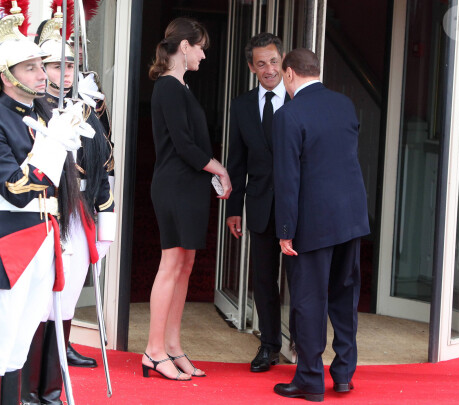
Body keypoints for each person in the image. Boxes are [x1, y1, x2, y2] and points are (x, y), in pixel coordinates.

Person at [0, 3, 82, 404]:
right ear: (7, 77)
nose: (41, 73)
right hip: (8, 245)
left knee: (20, 346)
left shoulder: (43, 117)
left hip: (43, 241)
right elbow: (17, 186)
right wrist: (51, 146)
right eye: (31, 68)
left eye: (40, 66)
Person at [20, 12, 115, 405]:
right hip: (47, 215)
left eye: (72, 63)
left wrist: (105, 217)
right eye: (58, 64)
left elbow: (104, 165)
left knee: (67, 300)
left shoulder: (88, 109)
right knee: (39, 306)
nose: (67, 70)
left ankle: (53, 389)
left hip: (82, 217)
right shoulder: (31, 110)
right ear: (42, 69)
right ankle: (28, 389)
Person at [272, 48, 370, 401]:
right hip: (351, 218)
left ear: (289, 74)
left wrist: (285, 231)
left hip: (313, 223)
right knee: (345, 296)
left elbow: (288, 179)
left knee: (309, 301)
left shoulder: (288, 115)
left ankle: (310, 380)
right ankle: (344, 373)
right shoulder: (344, 105)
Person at [142, 17, 232, 381]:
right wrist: (219, 169)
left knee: (186, 266)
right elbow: (182, 144)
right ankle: (153, 350)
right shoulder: (167, 87)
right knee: (170, 265)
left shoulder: (182, 86)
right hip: (176, 185)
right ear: (184, 47)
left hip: (189, 186)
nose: (203, 56)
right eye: (200, 48)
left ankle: (173, 346)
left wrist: (211, 171)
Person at [225, 32, 290, 373]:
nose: (269, 70)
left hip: (298, 209)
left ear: (284, 62)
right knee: (264, 280)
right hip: (261, 205)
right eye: (261, 64)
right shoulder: (242, 105)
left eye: (274, 62)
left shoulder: (300, 99)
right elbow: (236, 161)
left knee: (301, 280)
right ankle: (269, 345)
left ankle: (306, 349)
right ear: (252, 67)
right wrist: (234, 208)